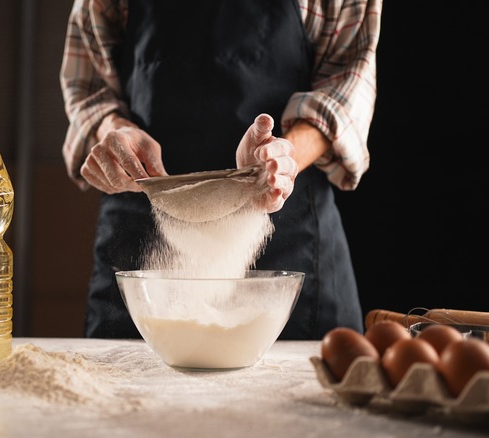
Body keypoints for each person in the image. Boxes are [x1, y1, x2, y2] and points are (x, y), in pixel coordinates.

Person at [59, 0, 382, 339]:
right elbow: (89, 87)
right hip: (146, 246)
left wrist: (278, 160)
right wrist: (113, 128)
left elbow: (346, 86)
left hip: (285, 236)